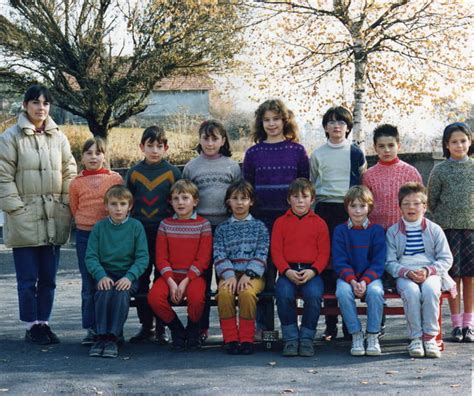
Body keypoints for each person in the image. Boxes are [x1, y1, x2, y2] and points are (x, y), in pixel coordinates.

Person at [0, 84, 77, 345]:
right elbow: (3, 176)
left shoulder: (59, 137)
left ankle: (44, 321)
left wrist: (66, 204)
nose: (40, 107)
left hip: (54, 215)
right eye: (35, 102)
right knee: (26, 278)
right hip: (24, 216)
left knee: (48, 278)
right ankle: (31, 324)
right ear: (25, 105)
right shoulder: (11, 137)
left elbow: (70, 172)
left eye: (45, 103)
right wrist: (16, 209)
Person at [243, 99, 309, 336]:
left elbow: (305, 187)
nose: (271, 124)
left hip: (291, 222)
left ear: (285, 120)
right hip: (261, 221)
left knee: (290, 275)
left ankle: (291, 327)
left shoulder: (297, 151)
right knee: (264, 273)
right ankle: (265, 329)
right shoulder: (253, 153)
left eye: (276, 119)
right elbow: (247, 189)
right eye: (266, 120)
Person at [310, 105, 366, 341]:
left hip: (348, 210)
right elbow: (313, 182)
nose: (336, 126)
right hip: (325, 210)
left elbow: (362, 181)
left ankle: (347, 322)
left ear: (348, 127)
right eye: (331, 122)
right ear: (325, 127)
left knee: (347, 264)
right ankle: (330, 324)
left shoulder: (356, 153)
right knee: (327, 265)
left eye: (341, 122)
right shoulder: (318, 154)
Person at [183, 120, 241, 343]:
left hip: (226, 227)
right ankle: (199, 327)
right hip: (200, 229)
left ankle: (230, 329)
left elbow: (238, 195)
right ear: (199, 140)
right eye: (205, 138)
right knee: (201, 279)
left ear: (223, 140)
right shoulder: (192, 167)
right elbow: (185, 196)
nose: (210, 143)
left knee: (226, 279)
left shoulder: (232, 166)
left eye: (215, 138)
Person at [386, 182, 455, 358]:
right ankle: (415, 338)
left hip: (430, 272)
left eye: (416, 203)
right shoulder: (393, 232)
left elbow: (446, 258)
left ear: (424, 207)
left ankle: (430, 337)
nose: (411, 207)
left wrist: (427, 270)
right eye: (406, 203)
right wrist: (406, 272)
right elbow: (389, 261)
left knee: (431, 290)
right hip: (405, 273)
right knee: (411, 292)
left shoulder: (434, 229)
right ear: (400, 207)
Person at [126, 126, 181, 344]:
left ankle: (162, 327)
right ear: (142, 147)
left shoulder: (173, 172)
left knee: (162, 279)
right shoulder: (134, 172)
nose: (155, 150)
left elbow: (180, 201)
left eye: (159, 146)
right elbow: (127, 202)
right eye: (150, 145)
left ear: (166, 148)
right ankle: (146, 325)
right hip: (139, 234)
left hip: (165, 233)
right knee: (140, 279)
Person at [69, 137, 123, 346]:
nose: (94, 157)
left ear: (104, 155)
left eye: (98, 153)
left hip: (110, 235)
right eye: (89, 153)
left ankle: (111, 328)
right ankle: (92, 328)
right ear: (82, 157)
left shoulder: (114, 178)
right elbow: (74, 208)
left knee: (109, 281)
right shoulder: (76, 183)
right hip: (85, 235)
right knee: (89, 283)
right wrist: (86, 223)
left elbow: (121, 203)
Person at [147, 180, 212, 351]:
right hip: (170, 276)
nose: (180, 202)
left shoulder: (203, 225)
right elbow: (161, 258)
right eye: (176, 198)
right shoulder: (165, 224)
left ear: (195, 201)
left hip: (193, 277)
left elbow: (203, 258)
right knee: (154, 297)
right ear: (170, 202)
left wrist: (185, 281)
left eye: (185, 198)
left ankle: (193, 329)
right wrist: (170, 281)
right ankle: (176, 328)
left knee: (197, 298)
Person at [85, 185, 148, 358]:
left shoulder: (136, 227)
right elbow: (91, 256)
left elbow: (142, 258)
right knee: (104, 291)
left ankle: (113, 336)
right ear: (106, 206)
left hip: (128, 275)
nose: (118, 208)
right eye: (113, 204)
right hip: (106, 273)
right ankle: (101, 336)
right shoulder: (99, 227)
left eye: (122, 204)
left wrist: (129, 277)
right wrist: (100, 275)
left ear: (130, 206)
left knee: (121, 293)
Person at [272, 178, 330, 357]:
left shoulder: (319, 223)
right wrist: (286, 271)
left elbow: (324, 253)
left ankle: (306, 338)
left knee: (313, 296)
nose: (300, 201)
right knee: (283, 294)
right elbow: (276, 252)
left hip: (311, 271)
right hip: (287, 271)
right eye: (295, 197)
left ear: (312, 200)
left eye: (304, 197)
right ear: (289, 200)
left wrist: (313, 271)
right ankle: (290, 339)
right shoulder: (280, 222)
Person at [428, 122, 473, 342]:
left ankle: (469, 324)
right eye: (454, 142)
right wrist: (444, 221)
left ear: (470, 141)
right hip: (448, 231)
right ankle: (455, 324)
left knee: (470, 278)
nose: (459, 145)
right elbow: (432, 201)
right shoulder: (440, 170)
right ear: (447, 145)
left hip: (472, 230)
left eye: (463, 141)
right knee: (452, 277)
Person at [214, 181, 269, 355]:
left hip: (253, 275)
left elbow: (262, 253)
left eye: (244, 199)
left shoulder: (259, 227)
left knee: (247, 293)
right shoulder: (222, 228)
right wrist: (229, 275)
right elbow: (219, 253)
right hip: (229, 274)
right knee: (224, 294)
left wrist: (249, 274)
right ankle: (230, 338)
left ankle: (246, 339)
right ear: (228, 202)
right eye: (235, 198)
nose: (239, 203)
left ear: (251, 202)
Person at [332, 186, 386, 356]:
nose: (357, 210)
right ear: (346, 207)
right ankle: (355, 334)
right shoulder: (340, 231)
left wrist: (364, 281)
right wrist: (353, 281)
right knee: (342, 291)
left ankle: (372, 334)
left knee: (376, 292)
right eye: (353, 206)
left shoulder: (376, 231)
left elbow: (378, 262)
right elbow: (339, 261)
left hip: (370, 278)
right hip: (348, 278)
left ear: (369, 207)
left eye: (362, 206)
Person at [362, 124, 422, 230]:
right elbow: (364, 205)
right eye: (381, 146)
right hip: (377, 232)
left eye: (391, 145)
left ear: (398, 146)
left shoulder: (411, 173)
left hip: (405, 230)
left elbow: (420, 202)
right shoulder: (369, 175)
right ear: (375, 147)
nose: (386, 150)